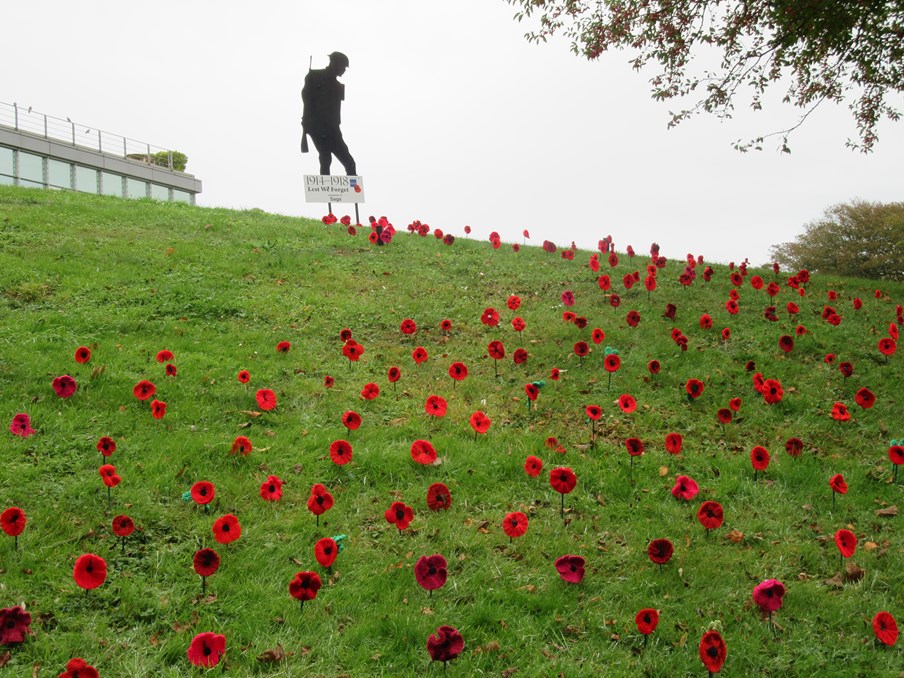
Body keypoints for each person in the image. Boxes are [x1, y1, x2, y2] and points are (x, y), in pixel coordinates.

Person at [301, 52, 357, 176]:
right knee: (325, 158)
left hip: (333, 129)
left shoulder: (338, 86)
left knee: (350, 162)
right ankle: (324, 189)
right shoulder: (314, 76)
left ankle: (353, 192)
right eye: (343, 66)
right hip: (318, 127)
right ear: (334, 63)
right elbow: (306, 97)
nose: (344, 70)